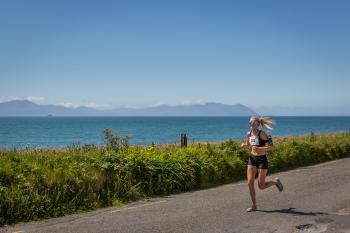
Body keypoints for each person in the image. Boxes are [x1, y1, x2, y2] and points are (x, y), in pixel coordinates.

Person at [241, 116, 283, 212]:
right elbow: (248, 144)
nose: (251, 125)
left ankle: (276, 182)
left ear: (258, 124)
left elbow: (271, 147)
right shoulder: (249, 134)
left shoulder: (263, 134)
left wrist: (260, 148)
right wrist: (244, 145)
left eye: (253, 123)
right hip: (252, 159)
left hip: (262, 160)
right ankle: (254, 205)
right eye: (250, 123)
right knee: (250, 182)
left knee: (261, 186)